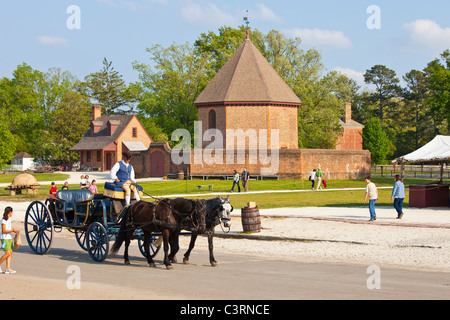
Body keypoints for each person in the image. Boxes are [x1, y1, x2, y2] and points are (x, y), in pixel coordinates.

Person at [1, 207, 19, 274]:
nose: (12, 214)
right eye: (12, 212)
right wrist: (12, 230)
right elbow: (4, 231)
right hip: (4, 239)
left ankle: (8, 268)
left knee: (10, 253)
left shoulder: (9, 219)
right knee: (7, 253)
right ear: (10, 212)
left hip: (9, 238)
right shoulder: (3, 221)